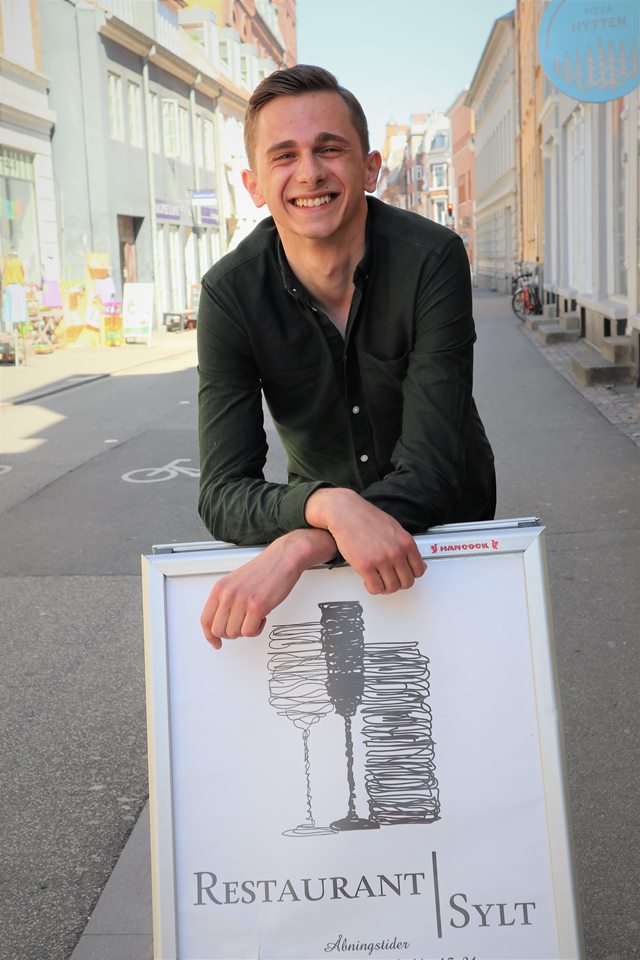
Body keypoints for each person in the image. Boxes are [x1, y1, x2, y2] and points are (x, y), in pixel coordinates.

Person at [197, 65, 495, 650]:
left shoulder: (432, 259)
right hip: (320, 527)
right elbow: (222, 492)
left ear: (370, 168)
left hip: (448, 531)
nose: (309, 172)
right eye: (283, 156)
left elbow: (434, 471)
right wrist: (327, 505)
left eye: (329, 148)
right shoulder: (229, 294)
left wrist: (306, 538)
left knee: (454, 709)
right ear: (254, 184)